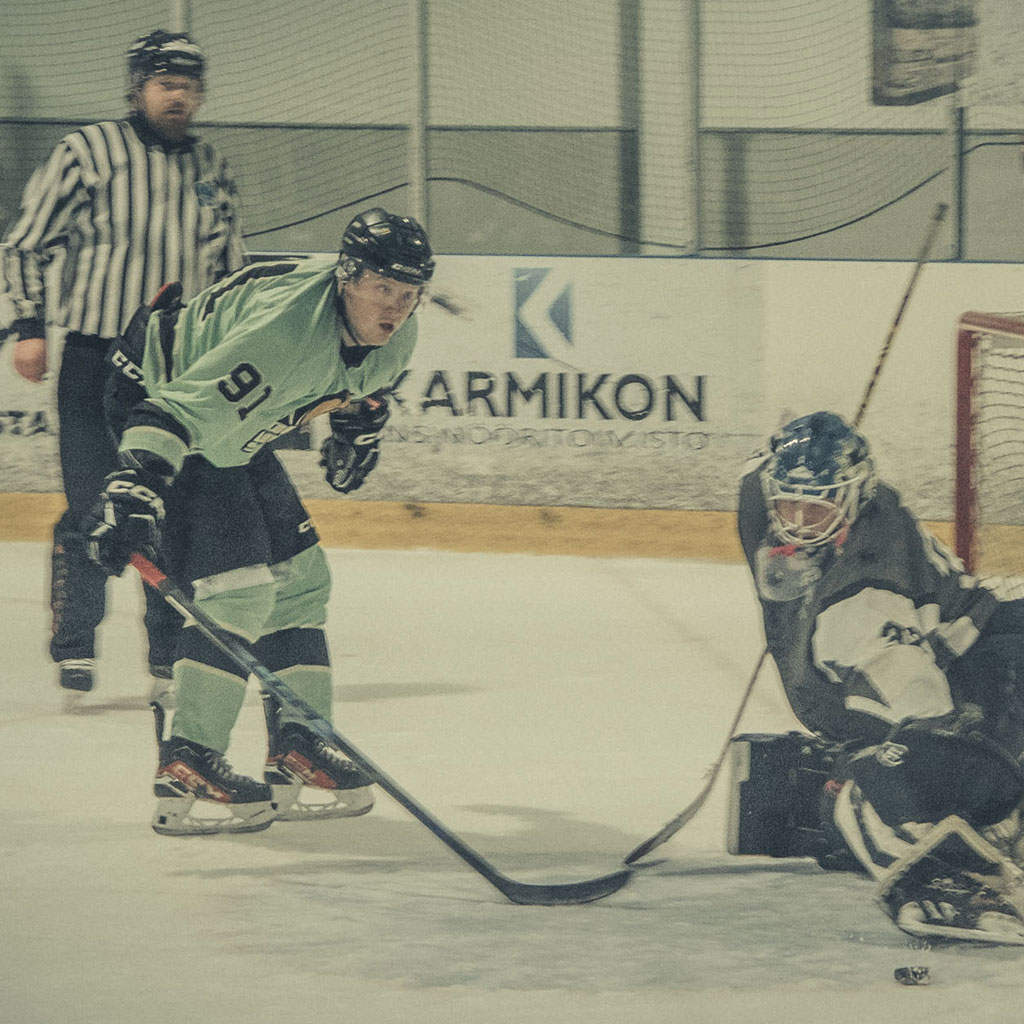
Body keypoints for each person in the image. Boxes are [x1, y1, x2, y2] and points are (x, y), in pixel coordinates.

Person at [85, 207, 435, 836]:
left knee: (302, 579)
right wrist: (138, 488)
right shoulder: (283, 336)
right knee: (239, 588)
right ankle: (189, 761)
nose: (395, 307)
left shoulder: (397, 337)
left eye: (408, 293)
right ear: (347, 277)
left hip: (228, 430)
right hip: (161, 396)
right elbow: (171, 414)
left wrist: (357, 422)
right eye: (382, 288)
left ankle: (302, 743)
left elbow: (358, 385)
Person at [0, 30, 246, 707]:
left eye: (188, 85)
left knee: (169, 510)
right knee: (93, 507)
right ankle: (75, 646)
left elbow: (231, 273)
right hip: (95, 359)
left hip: (179, 369)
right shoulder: (87, 152)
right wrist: (28, 325)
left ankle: (169, 655)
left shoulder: (212, 167)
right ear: (137, 89)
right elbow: (25, 245)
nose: (178, 96)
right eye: (166, 83)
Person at [736, 410, 1024, 943]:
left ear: (854, 498)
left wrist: (935, 773)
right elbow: (755, 482)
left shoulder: (861, 593)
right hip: (963, 655)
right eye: (788, 505)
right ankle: (946, 834)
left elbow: (920, 700)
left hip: (978, 663)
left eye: (816, 509)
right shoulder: (846, 536)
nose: (797, 523)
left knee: (958, 763)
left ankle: (967, 832)